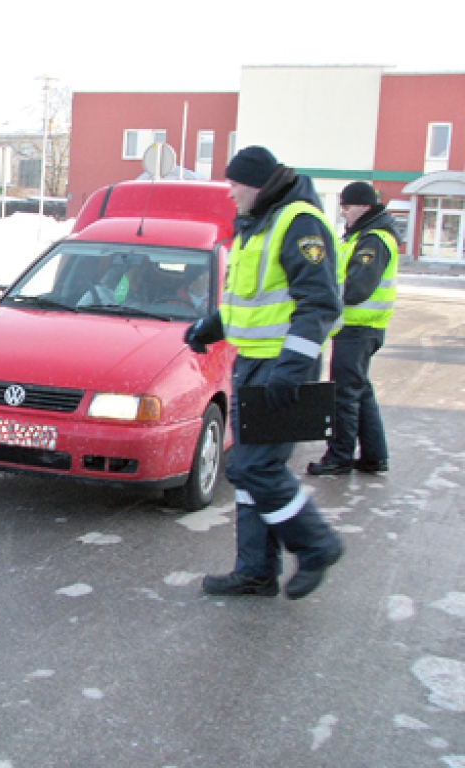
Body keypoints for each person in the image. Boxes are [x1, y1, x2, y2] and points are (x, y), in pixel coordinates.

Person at [184, 146, 344, 599]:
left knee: (253, 465)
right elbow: (245, 301)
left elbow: (320, 304)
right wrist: (208, 328)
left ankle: (316, 544)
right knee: (252, 469)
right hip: (253, 363)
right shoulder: (257, 226)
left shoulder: (298, 222)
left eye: (234, 183)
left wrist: (290, 369)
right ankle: (255, 570)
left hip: (281, 367)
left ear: (256, 183)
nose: (230, 191)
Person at [307, 182, 398, 476]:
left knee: (344, 394)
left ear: (365, 207)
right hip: (360, 330)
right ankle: (374, 456)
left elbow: (357, 286)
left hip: (359, 330)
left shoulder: (372, 240)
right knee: (360, 391)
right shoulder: (362, 237)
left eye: (347, 206)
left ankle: (339, 457)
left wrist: (325, 294)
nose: (343, 211)